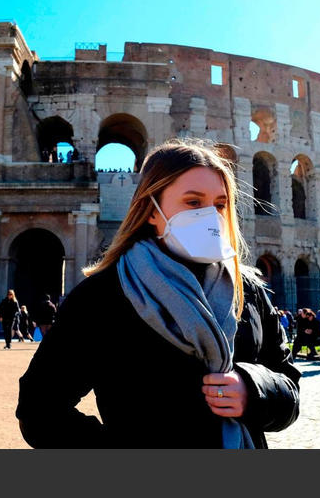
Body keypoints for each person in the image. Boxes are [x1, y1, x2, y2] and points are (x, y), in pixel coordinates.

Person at [17, 138, 301, 448]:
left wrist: (254, 388)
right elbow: (39, 409)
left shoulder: (247, 290)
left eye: (220, 204)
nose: (211, 216)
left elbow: (288, 384)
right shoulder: (101, 297)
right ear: (151, 210)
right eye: (193, 202)